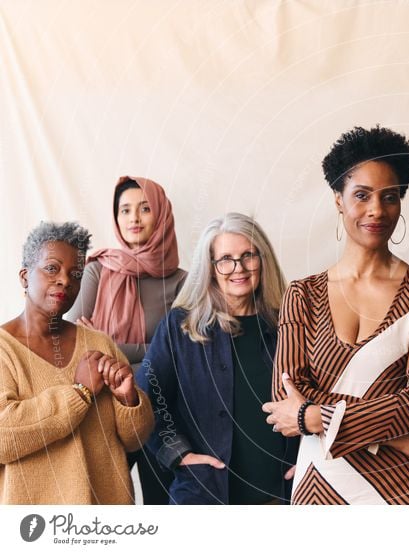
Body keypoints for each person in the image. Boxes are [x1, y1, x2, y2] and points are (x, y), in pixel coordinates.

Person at [263, 125, 409, 505]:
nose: (376, 211)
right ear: (338, 199)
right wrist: (401, 435)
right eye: (361, 196)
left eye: (390, 197)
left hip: (404, 491)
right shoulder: (302, 294)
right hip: (321, 484)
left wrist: (314, 418)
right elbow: (284, 396)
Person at [139, 213, 297, 504]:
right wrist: (179, 454)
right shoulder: (179, 328)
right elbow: (147, 401)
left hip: (283, 498)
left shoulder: (289, 326)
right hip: (204, 498)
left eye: (248, 255)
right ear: (210, 268)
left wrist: (309, 461)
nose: (238, 268)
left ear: (263, 260)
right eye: (225, 258)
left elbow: (319, 397)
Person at [0, 222, 154, 504]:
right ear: (24, 277)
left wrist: (129, 401)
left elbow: (135, 439)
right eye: (52, 268)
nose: (64, 280)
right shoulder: (4, 350)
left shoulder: (99, 343)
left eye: (76, 274)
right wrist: (80, 393)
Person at [66, 175, 186, 505]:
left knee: (161, 507)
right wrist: (148, 350)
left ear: (161, 213)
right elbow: (74, 343)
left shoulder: (181, 283)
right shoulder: (98, 270)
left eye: (144, 208)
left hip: (159, 409)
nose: (133, 218)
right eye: (125, 210)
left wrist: (104, 343)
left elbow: (178, 355)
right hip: (100, 411)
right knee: (102, 508)